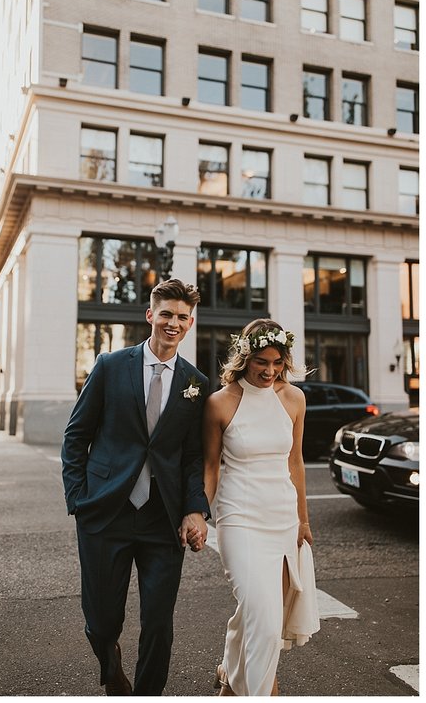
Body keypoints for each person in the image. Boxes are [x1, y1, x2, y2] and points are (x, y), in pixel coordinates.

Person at [61, 278, 210, 696]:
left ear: (191, 322)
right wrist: (77, 499)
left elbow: (193, 455)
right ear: (150, 315)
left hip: (162, 518)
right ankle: (111, 668)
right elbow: (76, 436)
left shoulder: (196, 383)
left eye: (182, 317)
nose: (173, 323)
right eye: (166, 314)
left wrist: (194, 508)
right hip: (106, 511)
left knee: (160, 623)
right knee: (103, 620)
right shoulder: (111, 366)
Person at [203, 319, 319, 696]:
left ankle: (229, 674)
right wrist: (199, 515)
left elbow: (296, 462)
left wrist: (303, 520)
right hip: (239, 519)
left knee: (258, 613)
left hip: (283, 520)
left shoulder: (294, 399)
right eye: (261, 362)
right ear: (245, 357)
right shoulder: (220, 403)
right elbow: (210, 468)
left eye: (277, 363)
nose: (270, 371)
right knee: (266, 624)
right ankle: (262, 692)